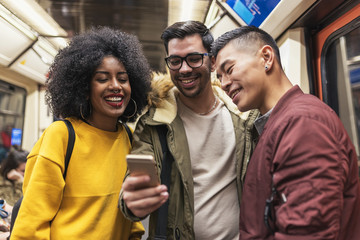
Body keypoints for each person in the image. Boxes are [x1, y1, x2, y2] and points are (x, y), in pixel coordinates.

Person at [212, 25, 360, 240]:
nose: (224, 83)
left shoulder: (303, 123)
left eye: (230, 69)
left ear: (266, 58)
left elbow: (307, 232)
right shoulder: (276, 124)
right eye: (219, 77)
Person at [119, 21, 258, 239]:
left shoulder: (243, 117)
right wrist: (132, 200)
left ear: (212, 62)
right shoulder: (155, 123)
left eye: (194, 59)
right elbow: (136, 181)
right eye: (175, 61)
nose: (184, 69)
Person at [11, 26, 151, 240]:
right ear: (84, 88)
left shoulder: (129, 138)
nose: (116, 86)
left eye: (122, 79)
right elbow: (31, 226)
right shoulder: (61, 136)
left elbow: (128, 220)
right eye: (103, 79)